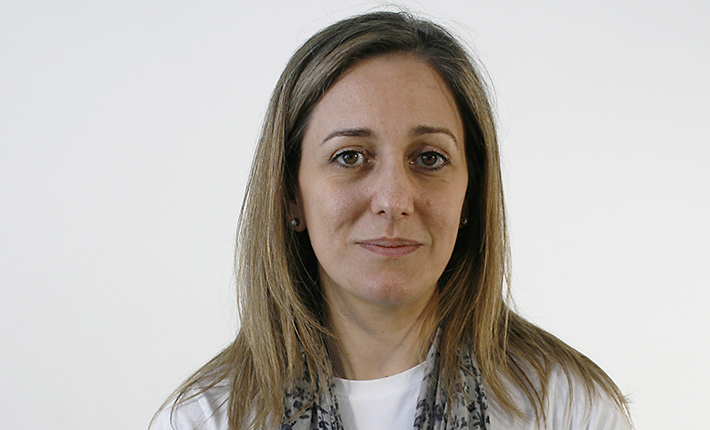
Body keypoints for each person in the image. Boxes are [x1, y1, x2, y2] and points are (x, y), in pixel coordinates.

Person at [151, 10, 631, 430]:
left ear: (470, 194)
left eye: (429, 158)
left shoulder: (567, 409)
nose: (394, 200)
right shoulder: (207, 419)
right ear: (290, 196)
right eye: (350, 156)